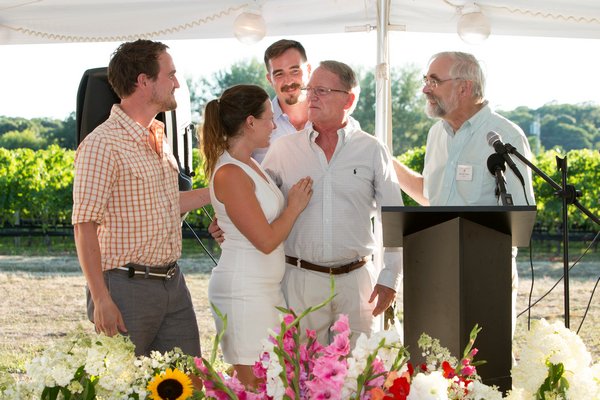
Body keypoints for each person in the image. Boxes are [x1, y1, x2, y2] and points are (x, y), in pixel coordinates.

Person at [72, 39, 210, 357]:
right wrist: (102, 298)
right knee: (125, 388)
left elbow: (167, 205)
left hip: (173, 285)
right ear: (144, 81)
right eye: (170, 75)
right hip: (124, 288)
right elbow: (84, 226)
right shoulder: (101, 144)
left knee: (188, 383)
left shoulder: (158, 138)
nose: (177, 83)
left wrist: (219, 192)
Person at [261, 60, 404, 346]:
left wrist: (390, 277)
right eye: (310, 89)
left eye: (322, 90)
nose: (311, 96)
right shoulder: (282, 150)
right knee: (300, 377)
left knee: (358, 379)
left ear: (348, 99)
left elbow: (394, 219)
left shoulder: (372, 149)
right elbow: (255, 201)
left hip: (357, 284)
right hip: (299, 280)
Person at [392, 51, 535, 333]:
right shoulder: (436, 134)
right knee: (434, 362)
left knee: (486, 363)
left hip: (485, 270)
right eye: (426, 81)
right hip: (434, 264)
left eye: (434, 81)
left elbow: (519, 216)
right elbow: (432, 199)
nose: (425, 89)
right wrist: (387, 161)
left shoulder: (505, 136)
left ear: (464, 87)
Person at [201, 84, 313, 387]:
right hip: (244, 293)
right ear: (250, 122)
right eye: (269, 118)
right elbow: (264, 241)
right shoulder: (230, 173)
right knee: (254, 387)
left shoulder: (248, 164)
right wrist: (295, 206)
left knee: (273, 384)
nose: (274, 125)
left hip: (263, 290)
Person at [252, 39, 312, 163]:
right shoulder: (253, 127)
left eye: (295, 71)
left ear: (309, 70)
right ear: (270, 79)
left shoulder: (337, 121)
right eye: (279, 74)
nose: (288, 81)